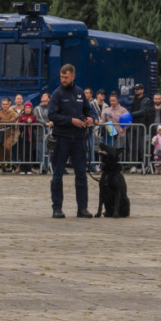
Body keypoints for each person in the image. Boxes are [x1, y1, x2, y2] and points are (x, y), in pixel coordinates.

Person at [48, 64, 96, 219]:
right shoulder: (57, 94)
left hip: (79, 139)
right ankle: (57, 208)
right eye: (61, 77)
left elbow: (88, 110)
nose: (63, 80)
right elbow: (52, 116)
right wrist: (71, 120)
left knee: (81, 174)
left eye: (66, 77)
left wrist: (90, 118)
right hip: (62, 138)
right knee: (57, 175)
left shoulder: (80, 92)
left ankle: (82, 208)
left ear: (73, 76)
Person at [0, 97, 19, 173]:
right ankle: (3, 166)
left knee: (7, 146)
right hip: (0, 133)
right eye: (3, 104)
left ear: (9, 104)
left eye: (6, 104)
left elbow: (12, 121)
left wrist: (2, 122)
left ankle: (9, 162)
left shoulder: (12, 113)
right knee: (0, 149)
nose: (5, 106)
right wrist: (6, 122)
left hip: (10, 133)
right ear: (1, 105)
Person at [17, 101, 38, 174]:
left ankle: (29, 169)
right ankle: (22, 169)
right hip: (23, 136)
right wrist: (26, 121)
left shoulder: (33, 116)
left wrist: (32, 122)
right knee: (23, 152)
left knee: (29, 152)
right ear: (24, 109)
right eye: (26, 108)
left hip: (31, 136)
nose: (28, 109)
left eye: (29, 108)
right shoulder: (22, 116)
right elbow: (19, 126)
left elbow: (36, 126)